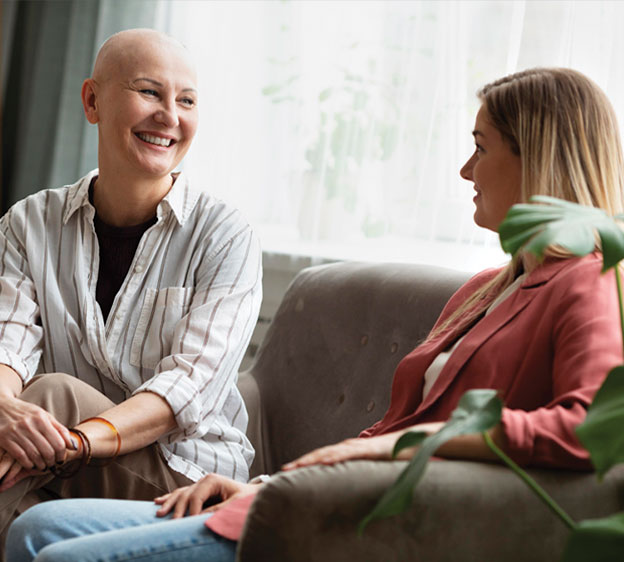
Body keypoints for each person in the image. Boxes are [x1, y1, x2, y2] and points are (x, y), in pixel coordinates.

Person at [6, 67, 623, 561]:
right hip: (310, 494)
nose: (465, 169)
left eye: (481, 147)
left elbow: (589, 431)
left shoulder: (586, 282)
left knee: (52, 544)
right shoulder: (484, 291)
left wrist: (407, 448)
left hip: (371, 520)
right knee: (39, 528)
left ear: (537, 159)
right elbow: (376, 436)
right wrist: (264, 487)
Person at [0, 28, 262, 557]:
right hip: (55, 461)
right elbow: (7, 344)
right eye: (149, 92)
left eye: (186, 100)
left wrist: (70, 443)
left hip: (184, 481)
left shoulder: (224, 233)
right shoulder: (29, 222)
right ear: (92, 100)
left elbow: (182, 393)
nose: (171, 115)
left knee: (51, 396)